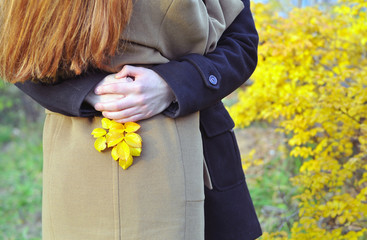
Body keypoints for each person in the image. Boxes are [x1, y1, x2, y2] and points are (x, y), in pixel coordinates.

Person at [3, 0, 262, 239]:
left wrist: (173, 84)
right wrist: (89, 91)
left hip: (197, 152)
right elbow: (15, 51)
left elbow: (241, 43)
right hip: (79, 158)